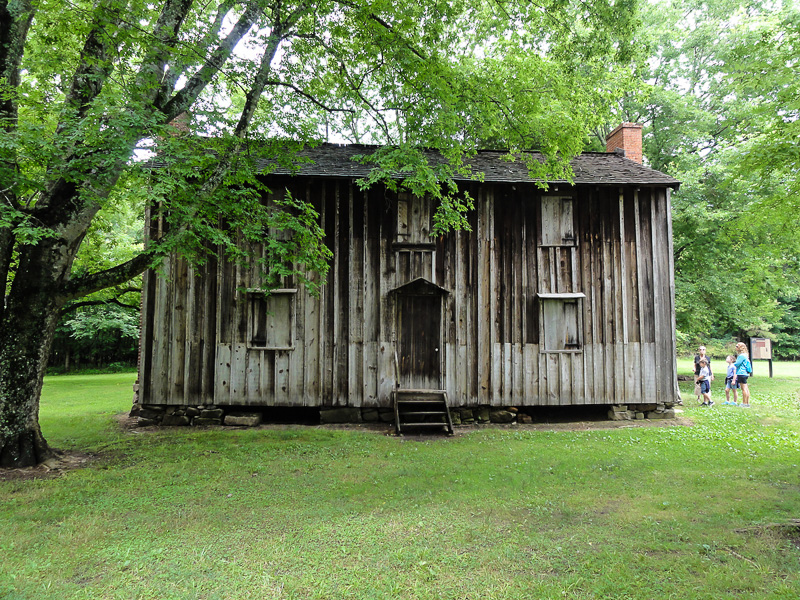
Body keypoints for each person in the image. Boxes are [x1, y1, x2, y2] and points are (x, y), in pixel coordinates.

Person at [732, 342, 752, 407]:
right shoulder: (746, 355)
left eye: (737, 346)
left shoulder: (741, 356)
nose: (736, 347)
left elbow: (737, 364)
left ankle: (744, 403)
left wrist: (732, 363)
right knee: (746, 388)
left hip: (741, 373)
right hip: (745, 373)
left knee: (743, 389)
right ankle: (747, 402)